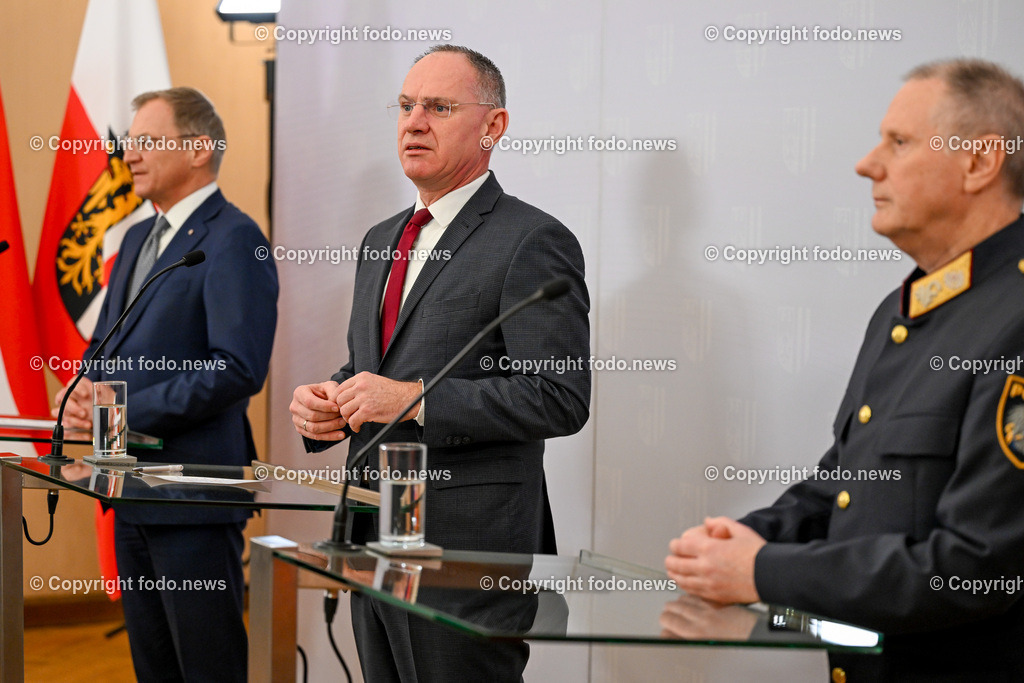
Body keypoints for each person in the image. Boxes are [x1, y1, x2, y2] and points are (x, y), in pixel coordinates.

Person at [666, 58, 1024, 682]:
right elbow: (845, 485)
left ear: (979, 162)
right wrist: (745, 539)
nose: (868, 163)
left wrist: (763, 570)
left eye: (899, 142)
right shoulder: (905, 306)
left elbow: (978, 565)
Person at [290, 44, 590, 680]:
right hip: (374, 531)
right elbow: (370, 366)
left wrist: (411, 399)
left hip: (467, 555)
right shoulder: (381, 239)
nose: (414, 121)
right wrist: (331, 403)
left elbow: (560, 396)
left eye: (439, 106)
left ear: (493, 126)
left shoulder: (531, 240)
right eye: (405, 106)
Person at [54, 87, 278, 682]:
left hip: (194, 494)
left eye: (148, 140)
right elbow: (106, 343)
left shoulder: (235, 239)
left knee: (207, 668)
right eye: (130, 140)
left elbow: (236, 368)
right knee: (154, 668)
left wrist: (124, 409)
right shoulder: (134, 239)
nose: (129, 153)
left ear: (200, 149)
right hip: (131, 490)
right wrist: (83, 390)